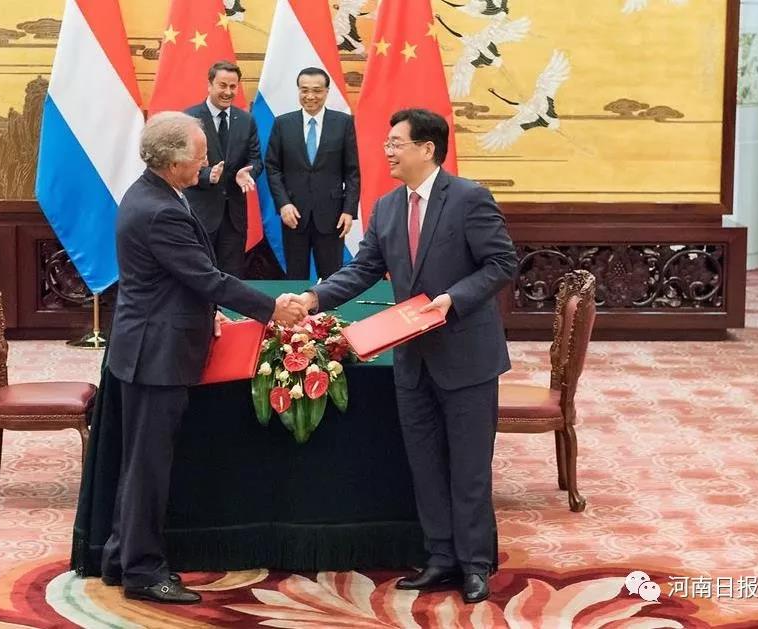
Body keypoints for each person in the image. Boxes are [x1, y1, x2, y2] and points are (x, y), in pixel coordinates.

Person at [289, 109, 517, 604]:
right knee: (425, 464)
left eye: (396, 143)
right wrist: (312, 298)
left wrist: (454, 299)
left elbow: (502, 263)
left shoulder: (469, 199)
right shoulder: (388, 206)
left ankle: (475, 564)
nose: (387, 151)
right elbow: (364, 269)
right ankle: (440, 557)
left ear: (427, 148)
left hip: (466, 355)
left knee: (469, 467)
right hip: (413, 359)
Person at [102, 111, 305, 605]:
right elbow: (206, 277)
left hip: (150, 344)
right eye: (199, 155)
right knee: (149, 466)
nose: (207, 161)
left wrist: (207, 311)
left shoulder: (154, 193)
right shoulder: (161, 210)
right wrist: (271, 309)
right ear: (173, 162)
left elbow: (179, 280)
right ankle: (143, 571)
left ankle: (120, 556)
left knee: (140, 463)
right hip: (156, 355)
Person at [266, 67, 360, 280]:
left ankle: (330, 306)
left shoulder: (343, 123)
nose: (310, 96)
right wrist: (283, 203)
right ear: (298, 90)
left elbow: (352, 172)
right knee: (295, 278)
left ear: (326, 92)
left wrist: (349, 210)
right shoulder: (283, 123)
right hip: (293, 215)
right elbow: (273, 168)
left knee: (332, 280)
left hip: (332, 216)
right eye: (304, 90)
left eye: (317, 90)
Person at [183, 61, 262, 278]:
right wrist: (207, 175)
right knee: (199, 275)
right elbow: (181, 163)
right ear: (210, 85)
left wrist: (248, 173)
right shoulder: (189, 119)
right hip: (201, 214)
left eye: (233, 86)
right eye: (222, 85)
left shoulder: (246, 120)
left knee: (232, 278)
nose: (228, 92)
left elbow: (256, 159)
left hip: (234, 217)